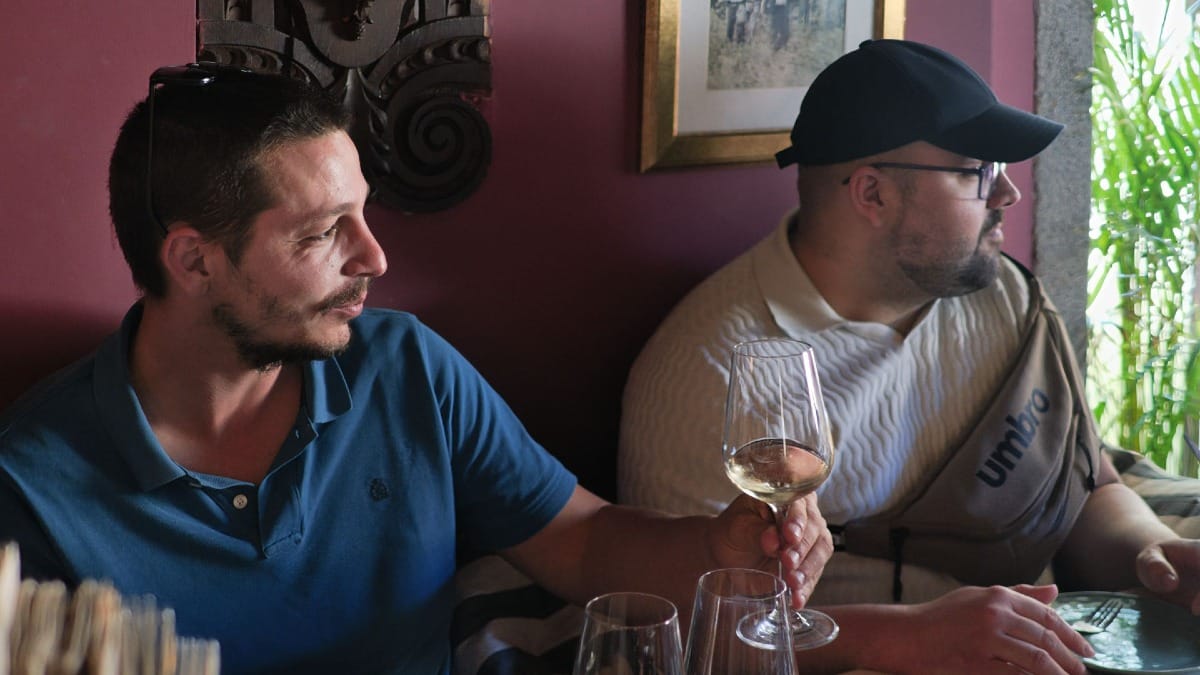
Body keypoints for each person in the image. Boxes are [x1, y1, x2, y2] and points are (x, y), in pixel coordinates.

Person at [0, 63, 832, 675]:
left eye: (364, 213)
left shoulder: (406, 368)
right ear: (194, 259)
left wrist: (722, 546)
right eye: (323, 234)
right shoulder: (31, 484)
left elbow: (581, 544)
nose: (376, 256)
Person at [618, 39, 1200, 674]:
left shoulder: (996, 291)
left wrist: (1157, 554)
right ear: (872, 194)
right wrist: (906, 637)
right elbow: (700, 636)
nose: (1008, 193)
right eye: (976, 170)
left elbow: (1083, 482)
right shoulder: (717, 374)